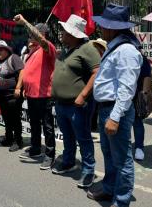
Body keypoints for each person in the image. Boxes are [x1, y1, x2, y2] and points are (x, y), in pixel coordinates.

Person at [88, 4, 142, 207]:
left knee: (122, 159)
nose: (101, 29)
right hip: (107, 109)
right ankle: (110, 189)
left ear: (112, 28)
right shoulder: (116, 47)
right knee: (110, 154)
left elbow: (127, 89)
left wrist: (115, 116)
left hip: (114, 109)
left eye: (103, 26)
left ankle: (121, 200)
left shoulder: (126, 50)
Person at [50, 14, 100, 189]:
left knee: (83, 138)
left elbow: (97, 72)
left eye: (64, 31)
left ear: (73, 34)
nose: (62, 34)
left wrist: (83, 95)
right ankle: (69, 161)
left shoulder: (88, 49)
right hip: (62, 104)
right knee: (68, 136)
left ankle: (88, 170)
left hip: (78, 105)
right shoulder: (66, 50)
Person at [13, 14, 57, 170]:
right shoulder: (33, 52)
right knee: (34, 124)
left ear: (41, 35)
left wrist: (24, 21)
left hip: (44, 96)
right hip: (32, 96)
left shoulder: (48, 48)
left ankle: (50, 155)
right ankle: (36, 148)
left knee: (47, 127)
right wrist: (25, 88)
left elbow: (41, 40)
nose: (30, 37)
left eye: (33, 34)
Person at [0, 40, 24, 152]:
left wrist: (18, 87)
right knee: (6, 118)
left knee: (15, 119)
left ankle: (18, 141)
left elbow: (22, 72)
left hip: (12, 96)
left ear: (6, 50)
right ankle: (9, 138)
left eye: (1, 49)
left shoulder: (13, 58)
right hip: (2, 96)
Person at [133, 49, 152, 161]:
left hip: (137, 95)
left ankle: (139, 147)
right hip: (122, 95)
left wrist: (144, 94)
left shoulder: (141, 58)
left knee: (137, 122)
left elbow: (147, 76)